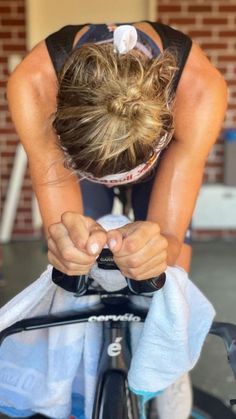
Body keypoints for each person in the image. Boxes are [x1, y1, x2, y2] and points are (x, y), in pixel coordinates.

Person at [6, 21, 227, 419]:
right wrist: (67, 246)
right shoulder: (33, 84)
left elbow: (171, 237)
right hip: (78, 156)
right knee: (73, 265)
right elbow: (64, 230)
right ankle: (75, 371)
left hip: (164, 160)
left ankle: (166, 361)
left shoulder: (199, 89)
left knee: (167, 270)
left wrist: (160, 253)